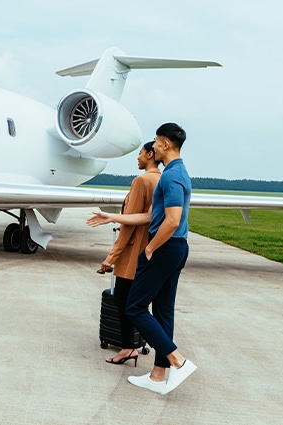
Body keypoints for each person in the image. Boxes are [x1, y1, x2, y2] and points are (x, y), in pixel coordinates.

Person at [87, 123, 196, 394]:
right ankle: (158, 375)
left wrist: (150, 248)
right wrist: (111, 216)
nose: (153, 146)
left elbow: (170, 222)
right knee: (162, 312)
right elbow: (151, 216)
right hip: (175, 248)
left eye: (156, 142)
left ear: (165, 145)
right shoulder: (175, 173)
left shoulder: (170, 177)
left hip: (164, 249)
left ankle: (178, 361)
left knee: (134, 307)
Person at [90, 141, 160, 366]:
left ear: (150, 154)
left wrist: (111, 258)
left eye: (140, 153)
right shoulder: (160, 180)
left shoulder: (141, 181)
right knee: (134, 300)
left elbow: (130, 224)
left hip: (134, 252)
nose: (137, 157)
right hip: (149, 250)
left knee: (123, 299)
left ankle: (136, 347)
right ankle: (133, 346)